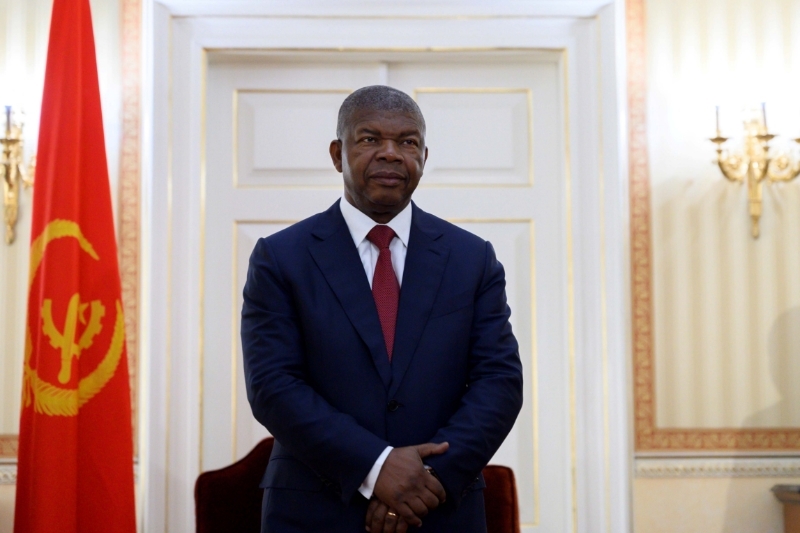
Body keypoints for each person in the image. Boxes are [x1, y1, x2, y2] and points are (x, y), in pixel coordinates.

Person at [241, 85, 523, 533]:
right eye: (370, 139)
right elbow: (273, 386)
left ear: (424, 158)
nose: (391, 154)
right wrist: (377, 468)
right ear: (338, 154)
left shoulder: (472, 259)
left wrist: (425, 481)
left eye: (407, 142)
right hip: (315, 511)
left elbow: (500, 382)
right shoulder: (281, 258)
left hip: (441, 510)